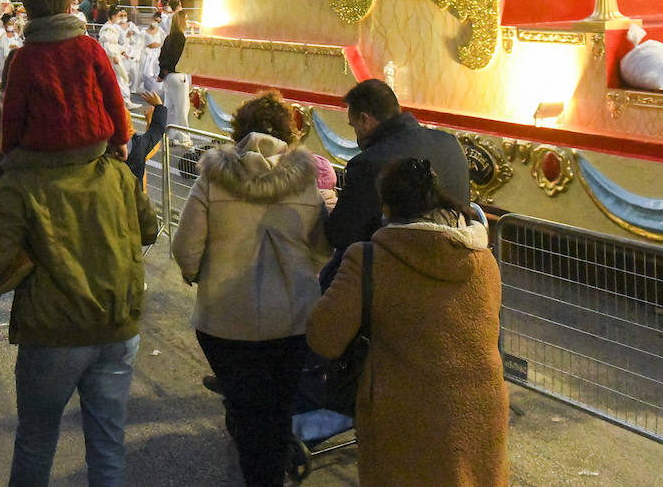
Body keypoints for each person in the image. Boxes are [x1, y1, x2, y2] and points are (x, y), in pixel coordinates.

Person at [0, 106, 159, 486]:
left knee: (36, 443)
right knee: (107, 447)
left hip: (51, 331)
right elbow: (150, 229)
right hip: (116, 325)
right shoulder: (118, 173)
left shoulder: (23, 180)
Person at [307, 157, 508, 486]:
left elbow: (324, 336)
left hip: (407, 416)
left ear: (386, 206)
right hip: (479, 411)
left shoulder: (370, 260)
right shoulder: (482, 257)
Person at [171, 91, 337, 487]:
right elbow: (322, 248)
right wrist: (298, 275)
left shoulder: (214, 175)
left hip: (224, 319)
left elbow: (185, 246)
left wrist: (197, 274)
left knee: (245, 410)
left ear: (239, 129)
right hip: (292, 319)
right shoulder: (303, 181)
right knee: (278, 409)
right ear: (287, 133)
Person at [325, 79, 471, 261]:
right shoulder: (450, 143)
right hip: (460, 255)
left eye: (354, 126)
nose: (356, 134)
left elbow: (343, 235)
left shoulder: (368, 163)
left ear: (364, 119)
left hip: (402, 269)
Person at [0, 0, 132, 160]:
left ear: (28, 13)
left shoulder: (24, 57)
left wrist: (9, 150)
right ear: (69, 8)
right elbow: (113, 96)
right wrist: (120, 139)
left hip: (43, 151)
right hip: (94, 144)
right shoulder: (90, 46)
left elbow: (13, 111)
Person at [157, 8, 193, 146]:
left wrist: (162, 73)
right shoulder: (180, 38)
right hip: (178, 75)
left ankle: (169, 137)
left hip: (168, 77)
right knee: (182, 108)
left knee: (170, 108)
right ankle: (184, 138)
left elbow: (162, 58)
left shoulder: (169, 37)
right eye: (187, 19)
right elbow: (174, 58)